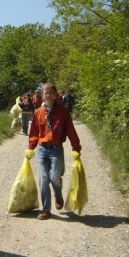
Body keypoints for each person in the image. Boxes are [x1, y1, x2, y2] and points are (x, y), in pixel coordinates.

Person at [28, 83, 81, 220]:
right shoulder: (38, 113)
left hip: (56, 150)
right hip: (42, 150)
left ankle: (58, 195)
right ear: (42, 95)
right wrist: (30, 148)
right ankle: (46, 209)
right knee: (44, 178)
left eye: (50, 93)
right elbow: (34, 132)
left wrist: (76, 148)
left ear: (55, 94)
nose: (48, 95)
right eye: (45, 93)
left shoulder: (63, 113)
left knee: (54, 178)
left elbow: (70, 131)